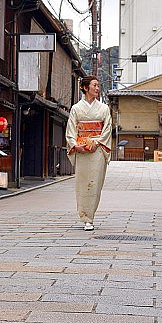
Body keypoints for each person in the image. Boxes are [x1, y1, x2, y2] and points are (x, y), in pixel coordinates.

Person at [66, 75, 112, 231]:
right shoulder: (76, 109)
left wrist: (96, 143)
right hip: (81, 149)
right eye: (94, 85)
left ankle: (90, 217)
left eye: (98, 86)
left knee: (95, 185)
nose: (97, 88)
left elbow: (107, 130)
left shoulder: (104, 109)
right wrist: (74, 145)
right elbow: (71, 131)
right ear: (85, 88)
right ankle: (85, 216)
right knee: (82, 183)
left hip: (97, 150)